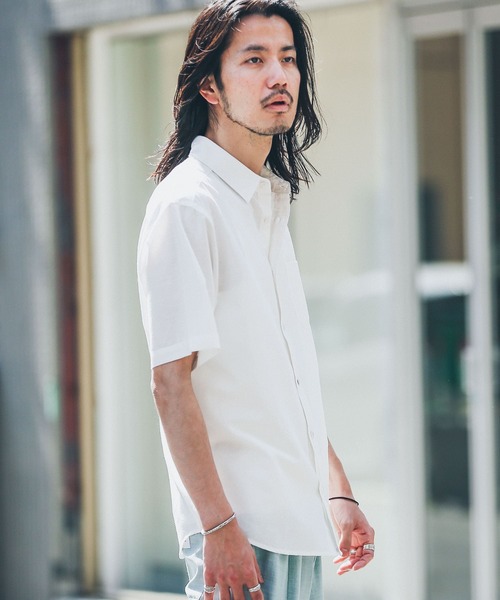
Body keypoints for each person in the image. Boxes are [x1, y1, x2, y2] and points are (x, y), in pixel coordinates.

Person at [137, 0, 375, 598]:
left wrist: (336, 489)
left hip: (298, 525)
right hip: (238, 534)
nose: (279, 76)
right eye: (255, 59)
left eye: (288, 59)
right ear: (210, 87)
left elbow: (283, 380)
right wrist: (218, 527)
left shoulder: (265, 202)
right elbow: (170, 383)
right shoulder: (189, 206)